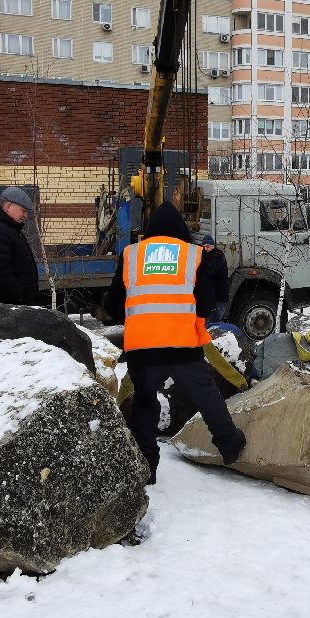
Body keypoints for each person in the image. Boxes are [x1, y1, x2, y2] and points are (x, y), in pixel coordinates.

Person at [105, 203, 246, 484]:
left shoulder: (132, 255)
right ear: (180, 230)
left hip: (142, 348)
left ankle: (147, 466)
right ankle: (230, 445)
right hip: (182, 345)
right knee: (207, 396)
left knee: (144, 404)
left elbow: (112, 305)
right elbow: (206, 302)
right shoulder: (192, 255)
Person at [0, 186, 40, 305]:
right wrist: (18, 298)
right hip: (7, 310)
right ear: (8, 207)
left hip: (14, 309)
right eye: (23, 210)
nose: (25, 215)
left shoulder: (10, 230)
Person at [200, 234, 229, 323]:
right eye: (204, 247)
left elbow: (209, 270)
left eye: (208, 246)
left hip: (219, 298)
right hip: (213, 298)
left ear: (213, 246)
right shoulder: (210, 256)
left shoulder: (217, 256)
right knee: (213, 322)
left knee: (214, 323)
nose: (206, 249)